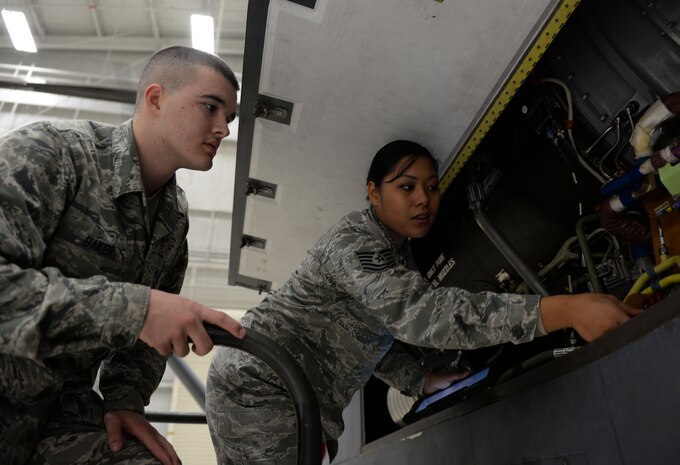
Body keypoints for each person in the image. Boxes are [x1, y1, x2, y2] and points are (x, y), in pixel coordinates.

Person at [205, 140, 638, 464]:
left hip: (284, 389)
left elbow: (366, 334)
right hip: (260, 384)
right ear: (373, 192)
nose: (422, 200)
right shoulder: (355, 243)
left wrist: (418, 379)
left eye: (432, 188)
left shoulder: (396, 250)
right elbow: (419, 315)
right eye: (406, 186)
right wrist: (565, 309)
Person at [0, 46, 245, 465]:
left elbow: (147, 343)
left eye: (230, 118)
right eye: (211, 107)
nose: (223, 128)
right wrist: (136, 310)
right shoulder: (51, 154)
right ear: (155, 98)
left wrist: (125, 401)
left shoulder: (172, 219)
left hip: (60, 414)